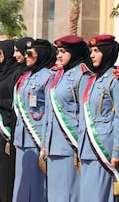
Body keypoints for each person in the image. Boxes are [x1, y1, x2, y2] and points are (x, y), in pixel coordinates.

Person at [42, 35, 90, 202]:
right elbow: (50, 112)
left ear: (75, 53)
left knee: (70, 194)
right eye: (58, 51)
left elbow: (85, 114)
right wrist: (44, 143)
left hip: (71, 145)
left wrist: (82, 146)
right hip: (53, 146)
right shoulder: (59, 74)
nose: (59, 55)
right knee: (55, 195)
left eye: (63, 51)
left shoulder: (82, 75)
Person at [78, 34, 119, 202]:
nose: (92, 55)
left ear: (107, 52)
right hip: (87, 148)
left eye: (96, 51)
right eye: (91, 51)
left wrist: (117, 150)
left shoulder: (115, 79)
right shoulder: (92, 79)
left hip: (103, 149)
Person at [12, 39, 56, 202]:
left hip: (37, 138)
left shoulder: (49, 77)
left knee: (37, 186)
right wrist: (17, 136)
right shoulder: (26, 76)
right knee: (22, 184)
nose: (26, 56)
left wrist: (45, 142)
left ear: (41, 55)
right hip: (23, 139)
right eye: (26, 53)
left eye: (30, 54)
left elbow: (50, 112)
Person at [0, 39, 27, 202]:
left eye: (1, 53)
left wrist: (0, 103)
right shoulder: (2, 71)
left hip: (7, 127)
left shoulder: (18, 73)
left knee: (4, 173)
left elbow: (18, 102)